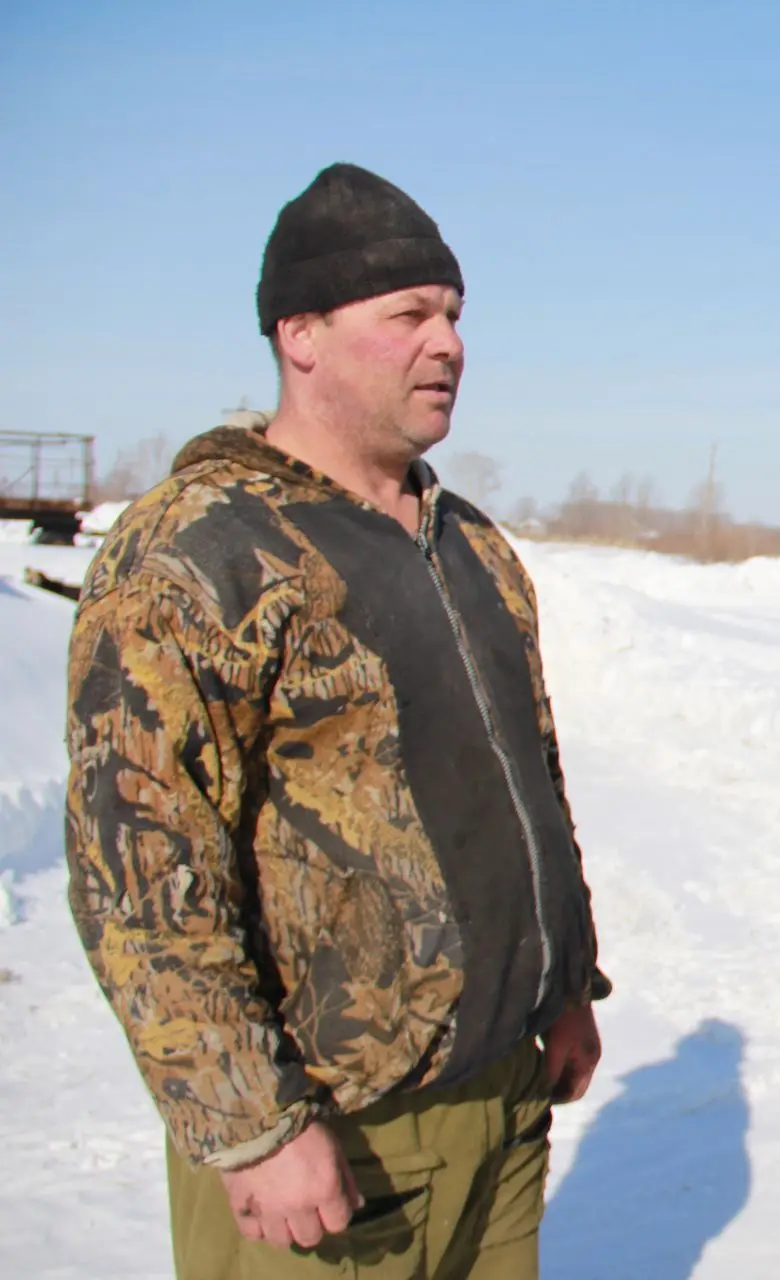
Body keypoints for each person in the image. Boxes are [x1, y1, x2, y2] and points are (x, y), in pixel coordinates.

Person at [65, 162, 611, 1279]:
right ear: (300, 333)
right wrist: (251, 1122)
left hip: (503, 1106)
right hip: (330, 1142)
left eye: (454, 314)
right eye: (408, 315)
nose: (447, 343)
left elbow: (528, 782)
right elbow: (137, 863)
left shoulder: (472, 544)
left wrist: (565, 987)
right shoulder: (202, 549)